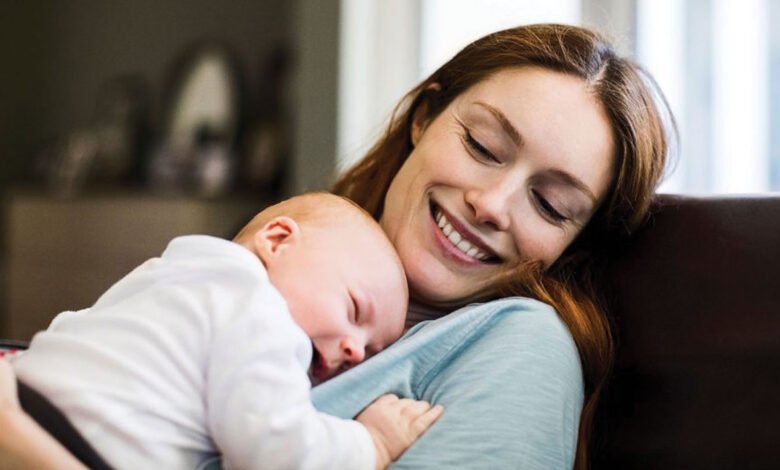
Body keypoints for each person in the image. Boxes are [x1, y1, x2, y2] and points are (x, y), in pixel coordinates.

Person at [0, 23, 672, 469]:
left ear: (574, 244)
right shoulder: (267, 275)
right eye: (482, 146)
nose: (492, 205)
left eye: (551, 204)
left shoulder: (520, 345)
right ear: (423, 118)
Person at [8, 193, 443, 470]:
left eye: (369, 351)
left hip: (27, 396)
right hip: (80, 445)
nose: (353, 349)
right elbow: (276, 450)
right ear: (276, 241)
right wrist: (374, 443)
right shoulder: (259, 310)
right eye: (353, 308)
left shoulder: (176, 272)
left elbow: (76, 327)